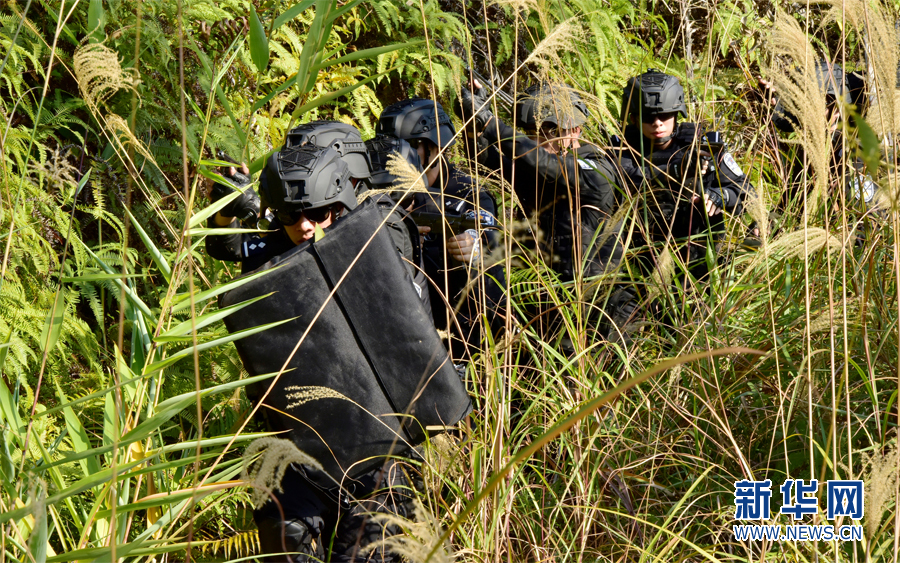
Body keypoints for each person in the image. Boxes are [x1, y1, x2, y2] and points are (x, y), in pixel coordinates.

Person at [218, 144, 430, 563]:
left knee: (368, 553)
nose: (304, 226)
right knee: (285, 541)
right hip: (295, 444)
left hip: (375, 449)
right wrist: (228, 201)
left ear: (339, 202)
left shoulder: (374, 252)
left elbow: (412, 345)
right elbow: (224, 244)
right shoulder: (270, 251)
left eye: (316, 213)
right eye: (290, 215)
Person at [458, 82, 635, 344]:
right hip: (550, 301)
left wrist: (492, 124)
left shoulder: (596, 170)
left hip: (601, 307)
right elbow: (483, 159)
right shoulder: (535, 169)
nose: (538, 140)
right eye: (530, 133)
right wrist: (473, 121)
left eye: (548, 132)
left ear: (575, 130)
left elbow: (547, 165)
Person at [375, 99, 506, 358]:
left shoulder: (468, 193)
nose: (399, 156)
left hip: (463, 340)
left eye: (410, 147)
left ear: (435, 147)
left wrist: (474, 248)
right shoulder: (383, 190)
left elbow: (487, 237)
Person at [613, 69, 752, 295]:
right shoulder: (619, 149)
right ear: (632, 118)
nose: (658, 124)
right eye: (648, 117)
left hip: (696, 264)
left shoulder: (704, 145)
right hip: (636, 264)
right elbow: (621, 179)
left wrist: (719, 196)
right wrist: (677, 170)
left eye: (665, 115)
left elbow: (745, 192)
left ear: (678, 113)